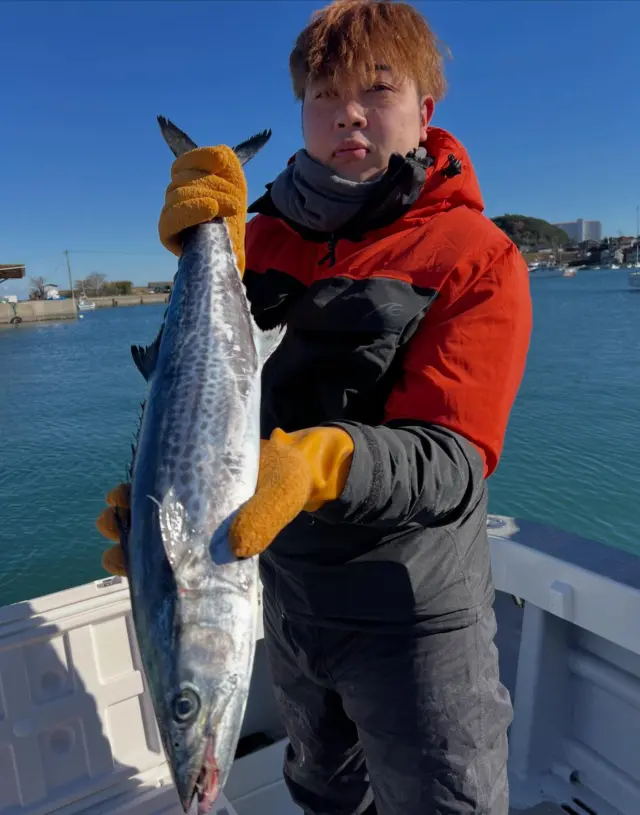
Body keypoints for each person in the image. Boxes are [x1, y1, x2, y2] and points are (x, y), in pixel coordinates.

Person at [97, 1, 532, 812]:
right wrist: (166, 502)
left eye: (377, 89)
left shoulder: (478, 256)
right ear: (301, 112)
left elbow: (454, 459)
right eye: (325, 95)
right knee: (324, 795)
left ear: (425, 108)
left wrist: (317, 459)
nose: (350, 115)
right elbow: (206, 404)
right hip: (285, 602)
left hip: (415, 622)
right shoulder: (253, 244)